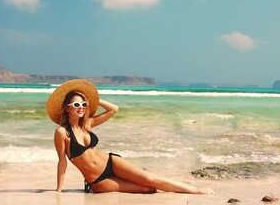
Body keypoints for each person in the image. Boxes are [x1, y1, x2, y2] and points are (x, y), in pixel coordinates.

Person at [46, 79, 214, 194]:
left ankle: (195, 191)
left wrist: (94, 99)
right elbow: (62, 161)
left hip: (111, 162)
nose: (81, 107)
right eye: (76, 105)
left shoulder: (87, 124)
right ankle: (176, 187)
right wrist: (59, 190)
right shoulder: (62, 133)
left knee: (148, 178)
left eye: (83, 104)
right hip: (97, 180)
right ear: (67, 108)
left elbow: (113, 109)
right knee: (145, 189)